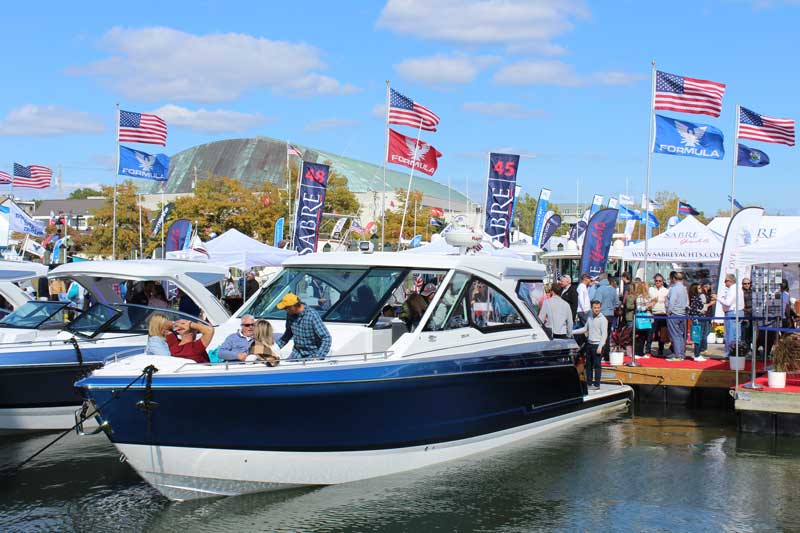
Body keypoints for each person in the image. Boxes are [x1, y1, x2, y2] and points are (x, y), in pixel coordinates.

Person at [276, 293, 332, 359]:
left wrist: (318, 357)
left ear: (293, 306)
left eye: (286, 308)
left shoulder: (312, 316)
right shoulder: (290, 315)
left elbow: (326, 338)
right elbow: (287, 335)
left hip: (312, 355)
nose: (285, 310)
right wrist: (274, 348)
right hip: (297, 354)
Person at [572, 300, 608, 391]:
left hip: (597, 345)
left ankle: (597, 384)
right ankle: (589, 383)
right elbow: (585, 329)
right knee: (588, 365)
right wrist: (572, 331)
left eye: (598, 308)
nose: (597, 309)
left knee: (597, 365)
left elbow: (604, 334)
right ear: (592, 308)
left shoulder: (603, 320)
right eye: (595, 308)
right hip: (589, 344)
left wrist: (600, 346)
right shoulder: (590, 317)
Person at [594, 273, 619, 358]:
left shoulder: (600, 289)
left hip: (601, 314)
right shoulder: (612, 289)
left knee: (600, 335)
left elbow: (597, 303)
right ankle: (607, 355)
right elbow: (617, 303)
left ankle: (600, 354)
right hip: (610, 315)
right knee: (607, 335)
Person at [665, 272, 688, 361]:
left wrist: (668, 311)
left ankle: (677, 355)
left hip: (674, 314)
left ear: (674, 278)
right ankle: (681, 353)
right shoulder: (684, 288)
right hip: (682, 314)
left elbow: (672, 301)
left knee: (675, 335)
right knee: (680, 335)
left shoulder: (674, 289)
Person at [719, 273, 744, 354]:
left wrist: (718, 298)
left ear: (729, 281)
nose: (724, 283)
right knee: (737, 335)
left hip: (732, 312)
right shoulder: (738, 289)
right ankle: (737, 352)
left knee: (730, 335)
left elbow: (728, 302)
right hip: (738, 312)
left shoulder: (732, 289)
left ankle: (730, 353)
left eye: (725, 281)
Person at [648, 274, 669, 357]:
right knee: (650, 332)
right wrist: (655, 300)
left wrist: (660, 300)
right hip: (654, 313)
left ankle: (661, 349)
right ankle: (648, 349)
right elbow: (649, 299)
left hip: (663, 313)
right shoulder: (651, 289)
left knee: (662, 333)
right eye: (656, 281)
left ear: (662, 281)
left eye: (660, 281)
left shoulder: (666, 290)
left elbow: (666, 301)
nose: (658, 282)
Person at [688, 282, 709, 361]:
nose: (701, 289)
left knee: (699, 336)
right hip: (699, 320)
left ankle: (698, 353)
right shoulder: (696, 298)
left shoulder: (695, 298)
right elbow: (701, 309)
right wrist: (702, 310)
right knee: (698, 337)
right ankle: (697, 355)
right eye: (699, 288)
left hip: (700, 319)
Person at [633, 281, 653, 357]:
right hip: (642, 318)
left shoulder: (648, 296)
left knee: (645, 336)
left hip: (648, 318)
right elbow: (639, 308)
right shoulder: (639, 297)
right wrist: (648, 306)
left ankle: (642, 352)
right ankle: (638, 352)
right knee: (640, 336)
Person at [701, 280, 717, 354]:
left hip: (709, 314)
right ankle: (703, 348)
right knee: (705, 332)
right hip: (705, 315)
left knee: (708, 331)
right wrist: (711, 303)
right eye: (706, 286)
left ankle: (703, 347)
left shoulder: (709, 294)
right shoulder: (702, 294)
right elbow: (704, 305)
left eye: (709, 285)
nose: (708, 287)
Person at [741, 277, 753, 345]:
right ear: (742, 284)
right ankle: (746, 347)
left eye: (748, 283)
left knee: (752, 333)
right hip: (745, 315)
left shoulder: (752, 292)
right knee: (745, 333)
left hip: (753, 315)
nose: (747, 285)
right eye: (745, 283)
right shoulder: (741, 292)